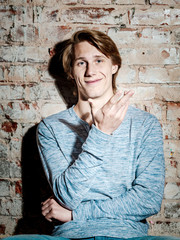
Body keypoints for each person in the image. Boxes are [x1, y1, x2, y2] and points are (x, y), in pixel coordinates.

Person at [4, 30, 180, 240]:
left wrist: (75, 213)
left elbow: (148, 201)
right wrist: (101, 133)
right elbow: (67, 196)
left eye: (98, 60)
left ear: (114, 65)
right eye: (81, 63)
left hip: (129, 236)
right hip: (70, 236)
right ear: (71, 71)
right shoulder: (50, 128)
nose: (90, 71)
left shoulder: (145, 124)